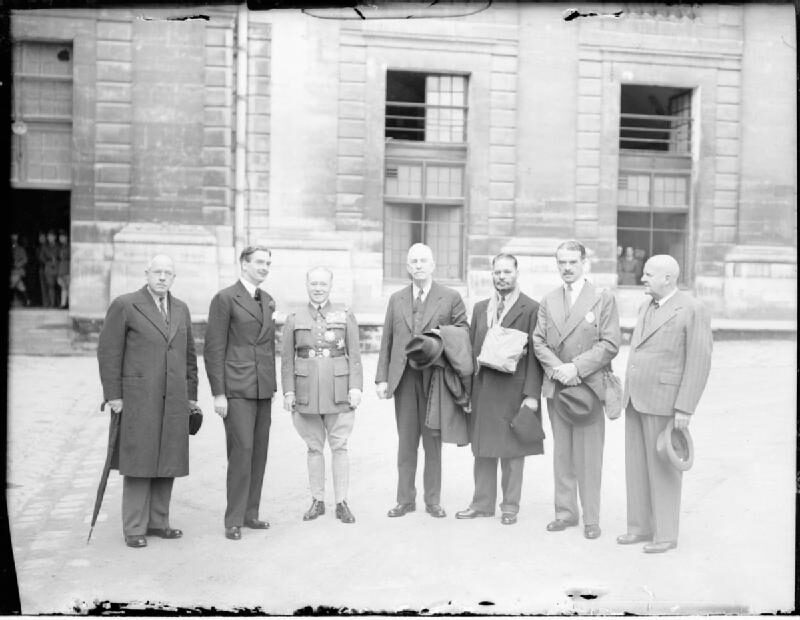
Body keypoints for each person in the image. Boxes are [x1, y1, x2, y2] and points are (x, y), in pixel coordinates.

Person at [97, 255, 198, 548]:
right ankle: (134, 527)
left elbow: (189, 355)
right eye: (157, 272)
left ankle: (158, 522)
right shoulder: (125, 305)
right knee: (139, 460)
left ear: (174, 278)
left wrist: (191, 395)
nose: (162, 277)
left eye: (168, 272)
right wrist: (114, 394)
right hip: (138, 398)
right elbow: (109, 352)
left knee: (169, 458)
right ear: (147, 274)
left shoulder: (181, 309)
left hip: (175, 398)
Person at [617, 254, 712, 554]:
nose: (642, 278)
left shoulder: (692, 309)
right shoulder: (646, 305)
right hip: (635, 399)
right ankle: (639, 527)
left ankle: (666, 534)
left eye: (648, 274)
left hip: (665, 401)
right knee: (636, 468)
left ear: (667, 278)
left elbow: (699, 360)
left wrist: (685, 407)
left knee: (664, 468)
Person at [532, 240, 620, 540]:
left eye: (572, 262)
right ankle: (565, 513)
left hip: (590, 387)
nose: (567, 268)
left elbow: (610, 344)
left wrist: (576, 368)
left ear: (585, 263)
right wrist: (560, 369)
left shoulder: (601, 298)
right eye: (561, 263)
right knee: (563, 454)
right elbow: (538, 342)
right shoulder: (549, 300)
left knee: (589, 455)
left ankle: (591, 517)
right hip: (558, 386)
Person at [376, 243, 468, 519]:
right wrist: (382, 378)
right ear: (407, 266)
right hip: (404, 379)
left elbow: (463, 332)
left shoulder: (450, 297)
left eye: (423, 261)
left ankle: (433, 500)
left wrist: (438, 337)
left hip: (435, 377)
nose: (418, 265)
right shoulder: (397, 299)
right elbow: (387, 341)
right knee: (406, 441)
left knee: (432, 441)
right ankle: (405, 499)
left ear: (433, 265)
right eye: (413, 261)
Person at [455, 253, 543, 525]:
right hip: (483, 389)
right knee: (482, 449)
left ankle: (510, 507)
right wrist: (467, 392)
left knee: (513, 451)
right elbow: (471, 352)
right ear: (491, 274)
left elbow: (537, 357)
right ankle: (482, 503)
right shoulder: (481, 309)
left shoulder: (531, 308)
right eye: (497, 272)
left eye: (507, 272)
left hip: (514, 390)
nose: (501, 277)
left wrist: (531, 395)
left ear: (517, 273)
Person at [204, 245, 276, 541]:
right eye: (259, 262)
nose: (264, 267)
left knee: (258, 453)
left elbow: (268, 346)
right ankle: (233, 518)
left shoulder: (268, 300)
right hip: (236, 388)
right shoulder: (225, 298)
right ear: (244, 264)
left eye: (268, 263)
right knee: (241, 452)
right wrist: (219, 393)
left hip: (262, 387)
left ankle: (251, 513)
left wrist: (272, 386)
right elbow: (213, 348)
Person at [282, 267, 363, 523]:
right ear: (307, 285)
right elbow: (286, 360)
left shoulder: (344, 313)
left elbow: (355, 355)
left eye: (323, 284)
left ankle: (341, 502)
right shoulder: (294, 317)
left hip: (338, 389)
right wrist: (289, 391)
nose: (318, 288)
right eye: (314, 283)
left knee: (339, 446)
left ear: (330, 285)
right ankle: (317, 500)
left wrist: (355, 387)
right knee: (314, 448)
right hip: (306, 391)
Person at [39, 230, 59, 308]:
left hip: (58, 266)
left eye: (51, 236)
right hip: (48, 267)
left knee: (59, 285)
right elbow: (41, 257)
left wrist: (56, 260)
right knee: (51, 286)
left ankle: (60, 303)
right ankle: (52, 304)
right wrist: (47, 261)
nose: (50, 238)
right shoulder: (45, 246)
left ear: (55, 237)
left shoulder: (58, 246)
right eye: (48, 236)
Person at [10, 233, 29, 307]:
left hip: (18, 271)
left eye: (15, 237)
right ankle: (28, 300)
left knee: (12, 284)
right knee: (21, 286)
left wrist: (17, 264)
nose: (14, 239)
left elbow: (25, 259)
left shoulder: (20, 249)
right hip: (12, 271)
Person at [56, 229, 70, 308]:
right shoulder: (60, 247)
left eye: (62, 237)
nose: (61, 238)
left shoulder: (69, 246)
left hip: (67, 270)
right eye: (60, 237)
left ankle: (66, 304)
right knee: (64, 288)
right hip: (61, 270)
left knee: (67, 288)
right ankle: (63, 304)